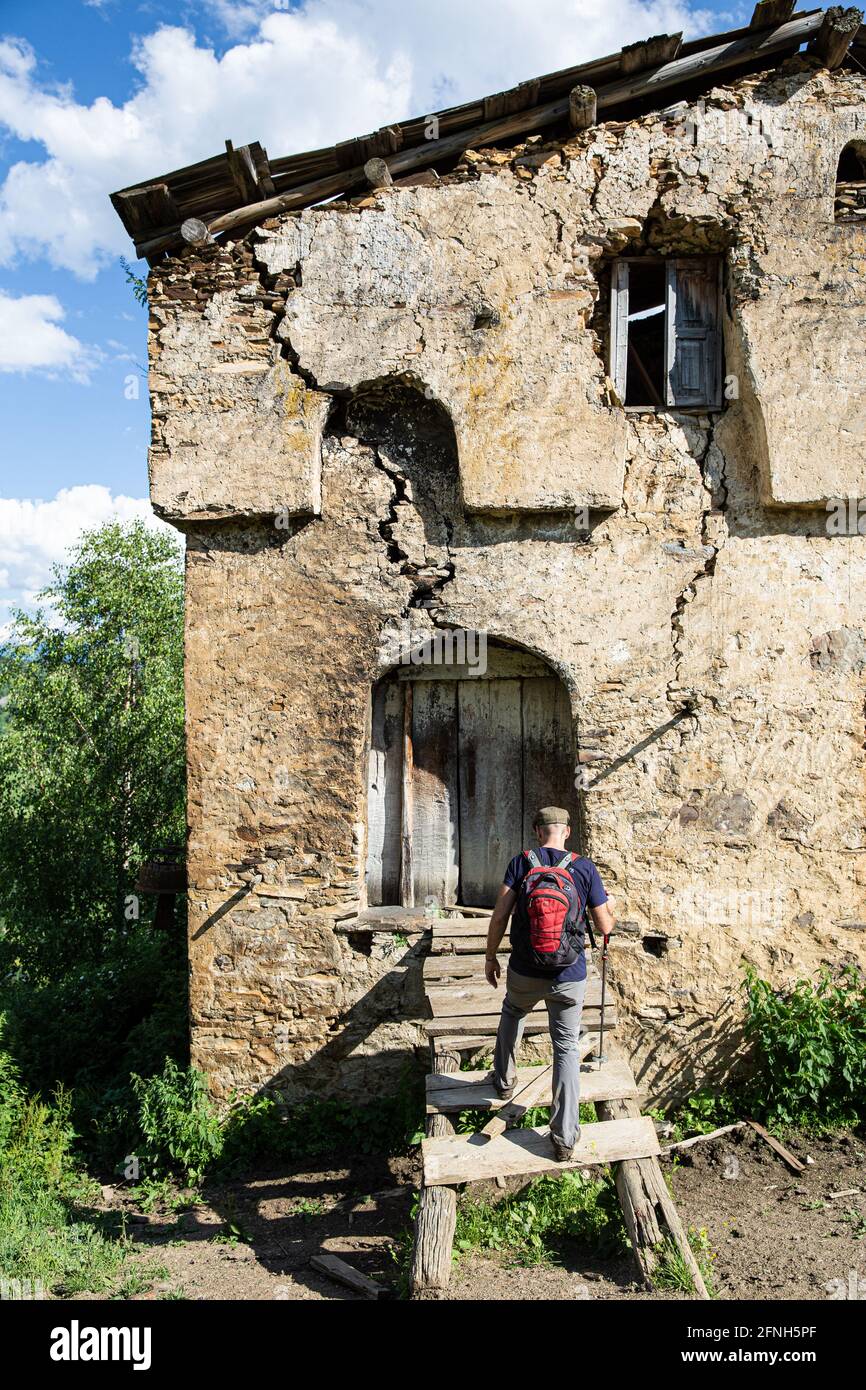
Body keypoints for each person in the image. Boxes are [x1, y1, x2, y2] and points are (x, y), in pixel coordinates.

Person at [484, 806, 615, 1161]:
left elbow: (499, 915)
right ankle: (564, 1139)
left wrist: (490, 955)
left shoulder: (521, 863)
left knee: (513, 1010)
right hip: (568, 975)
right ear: (567, 832)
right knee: (566, 1048)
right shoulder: (584, 868)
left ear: (538, 832)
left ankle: (504, 1080)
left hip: (525, 970)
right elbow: (605, 927)